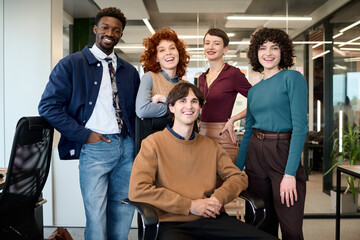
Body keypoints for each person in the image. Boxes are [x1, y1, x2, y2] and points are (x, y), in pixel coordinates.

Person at [38, 7, 140, 240]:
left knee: (124, 210)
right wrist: (85, 135)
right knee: (96, 213)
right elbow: (48, 107)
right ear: (95, 29)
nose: (110, 33)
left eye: (116, 30)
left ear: (120, 34)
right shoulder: (71, 65)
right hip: (95, 148)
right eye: (105, 27)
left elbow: (135, 113)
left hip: (126, 148)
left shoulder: (129, 71)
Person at [129, 82, 276, 240]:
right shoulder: (152, 144)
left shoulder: (210, 146)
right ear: (171, 107)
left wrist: (217, 199)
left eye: (194, 101)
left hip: (210, 219)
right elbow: (138, 190)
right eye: (182, 101)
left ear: (200, 108)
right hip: (171, 223)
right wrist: (191, 206)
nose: (189, 106)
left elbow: (239, 177)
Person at [237, 28, 307, 240]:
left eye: (274, 47)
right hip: (255, 154)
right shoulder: (254, 90)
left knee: (291, 227)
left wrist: (290, 174)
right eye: (262, 48)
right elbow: (248, 130)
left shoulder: (292, 78)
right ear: (255, 53)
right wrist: (236, 169)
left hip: (282, 153)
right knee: (260, 222)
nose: (268, 53)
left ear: (282, 51)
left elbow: (300, 127)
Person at [199, 28, 252, 163]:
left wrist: (233, 119)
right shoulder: (202, 77)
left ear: (225, 49)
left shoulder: (233, 74)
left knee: (225, 182)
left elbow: (257, 100)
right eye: (207, 43)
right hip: (201, 135)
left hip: (222, 134)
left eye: (216, 43)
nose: (210, 47)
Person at [136, 28, 189, 118]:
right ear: (156, 58)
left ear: (179, 53)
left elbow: (193, 109)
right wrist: (176, 107)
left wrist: (163, 99)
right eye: (162, 50)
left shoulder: (185, 85)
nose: (168, 53)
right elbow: (142, 110)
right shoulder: (149, 77)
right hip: (158, 132)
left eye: (172, 48)